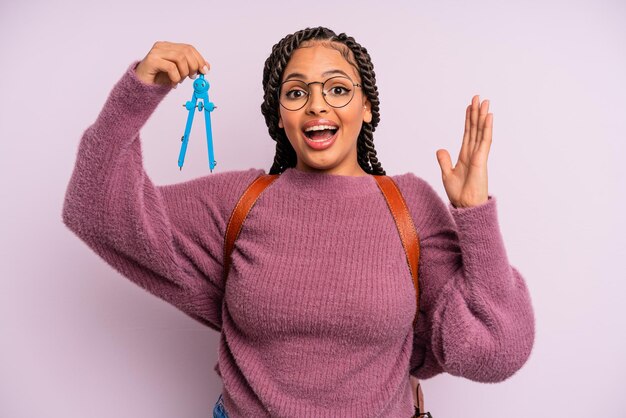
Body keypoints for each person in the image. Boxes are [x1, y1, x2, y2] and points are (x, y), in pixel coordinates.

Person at [62, 26, 535, 417]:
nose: (316, 105)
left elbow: (497, 352)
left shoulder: (408, 204)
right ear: (279, 116)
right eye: (296, 93)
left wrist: (475, 217)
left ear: (366, 107)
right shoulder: (239, 201)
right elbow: (94, 207)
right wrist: (140, 91)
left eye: (337, 88)